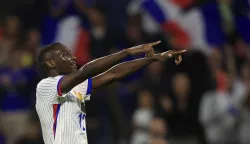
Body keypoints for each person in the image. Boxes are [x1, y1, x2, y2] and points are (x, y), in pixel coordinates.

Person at [35, 41, 186, 144]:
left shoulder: (74, 88)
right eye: (65, 54)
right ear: (50, 63)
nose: (73, 57)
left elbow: (113, 75)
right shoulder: (45, 87)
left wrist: (152, 59)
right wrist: (128, 51)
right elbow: (86, 71)